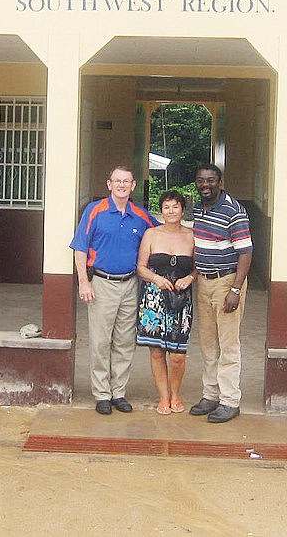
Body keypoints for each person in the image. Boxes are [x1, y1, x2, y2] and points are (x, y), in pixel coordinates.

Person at [71, 165, 158, 415]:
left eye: (126, 181)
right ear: (109, 184)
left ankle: (118, 392)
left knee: (124, 341)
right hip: (101, 284)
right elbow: (80, 248)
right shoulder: (95, 211)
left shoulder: (141, 217)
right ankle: (101, 394)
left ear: (133, 186)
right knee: (100, 341)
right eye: (117, 181)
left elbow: (160, 236)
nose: (121, 185)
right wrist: (83, 282)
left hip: (130, 284)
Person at [189, 164, 253, 423]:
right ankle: (210, 394)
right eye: (201, 180)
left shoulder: (233, 211)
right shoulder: (198, 208)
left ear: (220, 182)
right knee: (207, 343)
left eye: (211, 180)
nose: (206, 185)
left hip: (227, 282)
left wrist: (235, 290)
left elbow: (245, 252)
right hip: (204, 283)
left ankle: (229, 401)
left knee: (228, 345)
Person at [135, 190, 196, 415]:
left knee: (178, 354)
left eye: (175, 207)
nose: (171, 211)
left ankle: (176, 394)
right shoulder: (151, 234)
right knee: (157, 351)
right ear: (161, 211)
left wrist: (189, 277)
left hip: (181, 300)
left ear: (182, 210)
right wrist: (157, 279)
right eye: (166, 207)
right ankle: (163, 397)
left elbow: (197, 268)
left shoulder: (191, 236)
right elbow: (141, 267)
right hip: (153, 300)